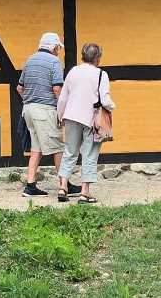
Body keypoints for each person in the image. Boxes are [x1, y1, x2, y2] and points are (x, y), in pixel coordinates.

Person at [16, 32, 79, 197]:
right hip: (45, 110)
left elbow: (20, 88)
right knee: (58, 148)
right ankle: (64, 185)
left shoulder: (29, 60)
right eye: (58, 47)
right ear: (53, 47)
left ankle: (30, 185)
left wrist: (30, 101)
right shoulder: (54, 62)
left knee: (36, 149)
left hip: (28, 110)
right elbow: (57, 89)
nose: (59, 51)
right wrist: (61, 111)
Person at [55, 42, 116, 203]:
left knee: (69, 151)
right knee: (89, 154)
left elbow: (63, 98)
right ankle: (84, 192)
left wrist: (60, 116)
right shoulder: (101, 75)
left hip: (71, 117)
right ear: (98, 58)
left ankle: (63, 187)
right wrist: (113, 107)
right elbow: (105, 99)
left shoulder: (73, 71)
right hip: (91, 119)